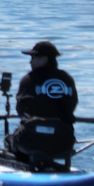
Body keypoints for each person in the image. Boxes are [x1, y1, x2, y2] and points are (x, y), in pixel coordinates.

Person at [10, 40, 79, 172]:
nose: (30, 61)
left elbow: (21, 110)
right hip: (63, 143)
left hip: (31, 143)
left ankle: (26, 163)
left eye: (33, 57)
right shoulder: (67, 79)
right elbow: (72, 106)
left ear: (45, 59)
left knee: (9, 140)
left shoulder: (28, 79)